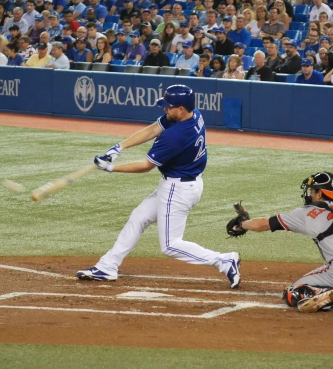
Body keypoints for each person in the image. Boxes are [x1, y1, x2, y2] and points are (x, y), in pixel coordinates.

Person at [78, 85, 241, 288]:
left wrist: (111, 168)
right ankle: (108, 266)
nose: (165, 109)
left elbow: (146, 166)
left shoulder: (178, 135)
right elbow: (154, 128)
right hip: (183, 183)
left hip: (178, 189)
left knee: (171, 245)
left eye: (169, 107)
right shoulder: (193, 113)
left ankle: (224, 261)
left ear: (180, 108)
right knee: (139, 217)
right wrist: (119, 147)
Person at [235, 171, 333, 313]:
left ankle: (321, 296)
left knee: (293, 293)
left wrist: (241, 224)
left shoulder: (306, 214)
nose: (310, 194)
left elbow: (264, 224)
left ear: (320, 193)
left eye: (312, 191)